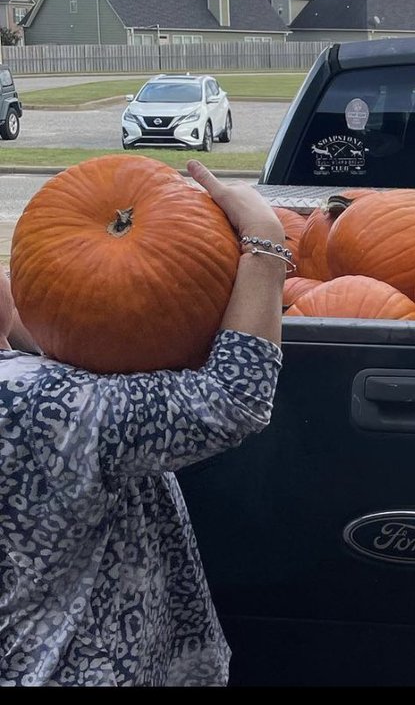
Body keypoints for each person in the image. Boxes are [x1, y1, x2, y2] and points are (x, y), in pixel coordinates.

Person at [0, 160, 288, 688]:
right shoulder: (40, 406)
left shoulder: (31, 394)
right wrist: (266, 248)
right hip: (82, 669)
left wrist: (62, 292)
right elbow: (231, 398)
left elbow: (47, 348)